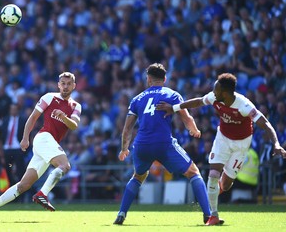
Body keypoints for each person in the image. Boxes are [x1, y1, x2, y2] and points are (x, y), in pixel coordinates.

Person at [157, 73, 286, 225]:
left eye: (216, 90)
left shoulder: (244, 105)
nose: (213, 92)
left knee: (225, 185)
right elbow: (198, 101)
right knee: (213, 174)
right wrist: (174, 108)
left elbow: (266, 124)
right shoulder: (215, 97)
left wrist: (276, 143)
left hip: (241, 144)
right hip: (222, 139)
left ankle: (213, 193)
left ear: (225, 93)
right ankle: (213, 215)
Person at [113, 63, 213, 226]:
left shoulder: (137, 98)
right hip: (163, 143)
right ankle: (208, 215)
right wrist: (194, 130)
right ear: (164, 79)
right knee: (194, 172)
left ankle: (121, 214)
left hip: (142, 144)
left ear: (149, 79)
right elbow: (186, 117)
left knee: (137, 177)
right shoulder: (172, 95)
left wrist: (124, 149)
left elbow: (127, 129)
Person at [0, 72, 81, 222]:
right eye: (63, 83)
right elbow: (33, 117)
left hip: (49, 145)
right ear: (58, 85)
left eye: (69, 84)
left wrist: (64, 117)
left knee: (23, 185)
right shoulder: (49, 97)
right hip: (43, 138)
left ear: (74, 86)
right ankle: (42, 194)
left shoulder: (76, 106)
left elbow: (74, 126)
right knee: (64, 165)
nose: (65, 86)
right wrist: (25, 138)